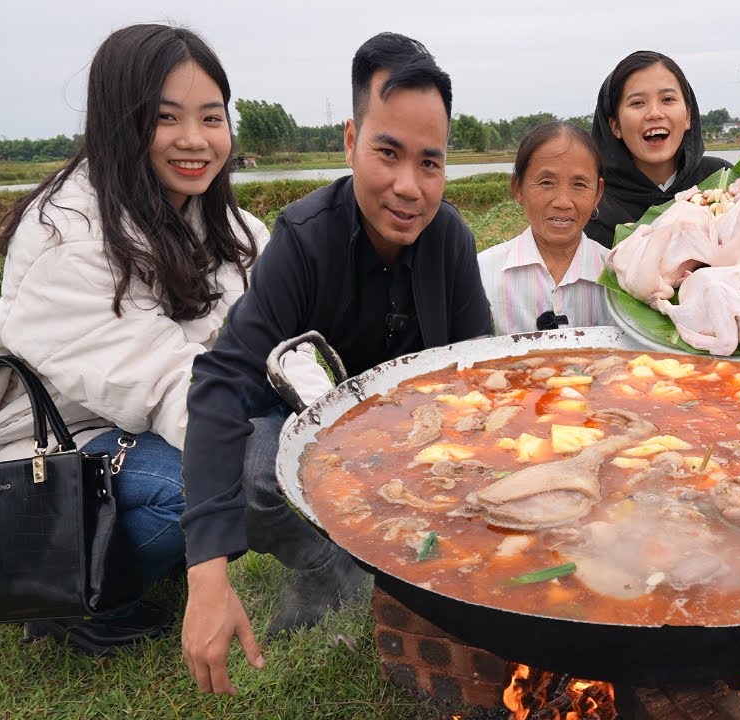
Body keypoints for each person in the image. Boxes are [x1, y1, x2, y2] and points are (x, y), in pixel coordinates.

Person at [180, 33, 492, 695]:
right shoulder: (302, 239)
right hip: (309, 430)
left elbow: (480, 381)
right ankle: (338, 578)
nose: (408, 187)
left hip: (420, 437)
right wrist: (206, 569)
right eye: (387, 153)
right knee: (259, 476)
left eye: (430, 164)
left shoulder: (452, 241)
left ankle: (400, 575)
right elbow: (219, 382)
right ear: (352, 137)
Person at [0, 24, 263, 655]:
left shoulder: (224, 224)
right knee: (217, 479)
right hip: (44, 445)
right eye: (166, 118)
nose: (195, 140)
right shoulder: (70, 236)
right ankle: (70, 593)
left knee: (240, 455)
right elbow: (166, 381)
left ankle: (125, 557)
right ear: (120, 122)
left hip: (130, 421)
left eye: (211, 117)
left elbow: (275, 334)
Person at [584, 50, 731, 247]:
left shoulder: (723, 179)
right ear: (615, 126)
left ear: (688, 116)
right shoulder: (592, 204)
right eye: (637, 103)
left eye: (668, 99)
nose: (654, 113)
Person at [478, 121, 614, 334]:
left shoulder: (618, 278)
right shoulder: (482, 273)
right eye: (546, 182)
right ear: (518, 189)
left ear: (598, 193)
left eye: (579, 184)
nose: (562, 201)